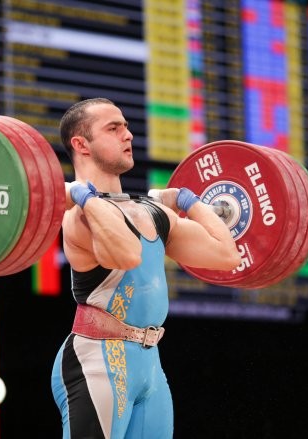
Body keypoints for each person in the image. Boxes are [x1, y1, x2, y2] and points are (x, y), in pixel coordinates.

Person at [51, 97, 240, 439]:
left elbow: (227, 255)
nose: (129, 135)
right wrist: (85, 196)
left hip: (149, 364)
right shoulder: (78, 216)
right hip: (96, 362)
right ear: (81, 144)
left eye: (126, 125)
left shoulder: (150, 211)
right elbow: (127, 256)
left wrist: (185, 200)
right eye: (114, 128)